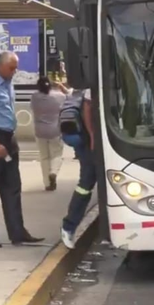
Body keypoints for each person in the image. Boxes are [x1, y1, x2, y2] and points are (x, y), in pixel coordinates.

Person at [0, 51, 44, 248]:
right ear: (0, 66)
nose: (14, 72)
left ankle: (18, 231)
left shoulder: (8, 85)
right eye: (11, 68)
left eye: (15, 68)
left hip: (9, 137)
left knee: (12, 186)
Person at [60, 88, 97, 249]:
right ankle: (69, 227)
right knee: (86, 182)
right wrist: (92, 135)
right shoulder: (92, 84)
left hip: (94, 138)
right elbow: (87, 107)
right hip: (89, 141)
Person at [30, 76, 66, 191]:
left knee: (44, 157)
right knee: (56, 155)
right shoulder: (59, 96)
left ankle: (47, 183)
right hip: (55, 130)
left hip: (40, 131)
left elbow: (32, 108)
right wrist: (60, 87)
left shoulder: (35, 97)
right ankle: (53, 172)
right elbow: (68, 97)